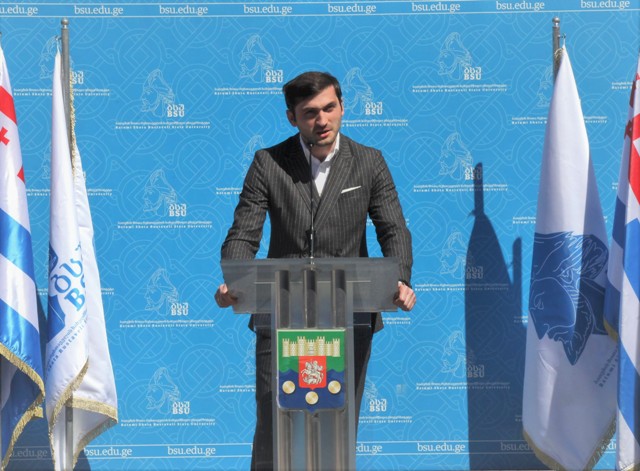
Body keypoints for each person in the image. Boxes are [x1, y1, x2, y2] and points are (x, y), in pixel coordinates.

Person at [214, 71, 416, 470]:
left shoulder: (370, 162)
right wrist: (234, 280)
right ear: (292, 118)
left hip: (348, 313)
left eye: (329, 108)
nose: (322, 120)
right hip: (280, 313)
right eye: (310, 113)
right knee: (274, 427)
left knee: (337, 425)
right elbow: (243, 232)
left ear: (342, 107)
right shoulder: (268, 163)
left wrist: (400, 280)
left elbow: (393, 229)